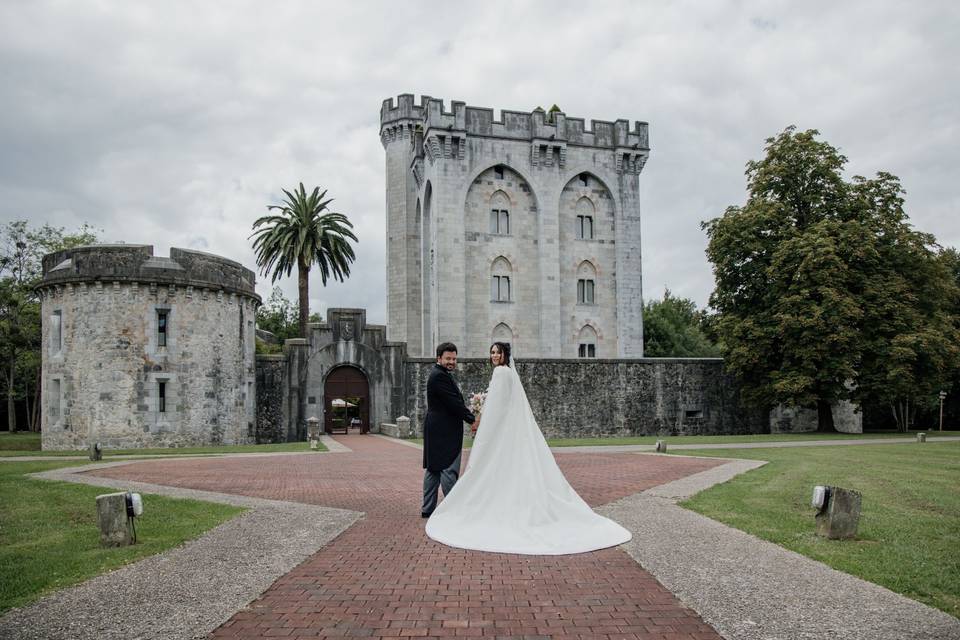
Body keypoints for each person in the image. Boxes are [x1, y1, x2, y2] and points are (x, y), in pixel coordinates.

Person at [425, 342, 632, 554]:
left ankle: (454, 506)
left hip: (494, 430)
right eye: (493, 352)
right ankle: (438, 506)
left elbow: (497, 408)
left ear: (505, 355)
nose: (495, 355)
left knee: (482, 468)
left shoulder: (500, 373)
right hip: (497, 429)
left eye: (498, 352)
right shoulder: (505, 373)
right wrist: (478, 412)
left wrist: (479, 419)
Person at [421, 342, 476, 518]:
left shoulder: (440, 374)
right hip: (444, 430)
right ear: (439, 358)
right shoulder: (440, 376)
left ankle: (427, 509)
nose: (452, 361)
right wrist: (472, 420)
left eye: (454, 358)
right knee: (448, 468)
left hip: (436, 428)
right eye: (448, 358)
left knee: (433, 469)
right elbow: (454, 403)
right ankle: (453, 510)